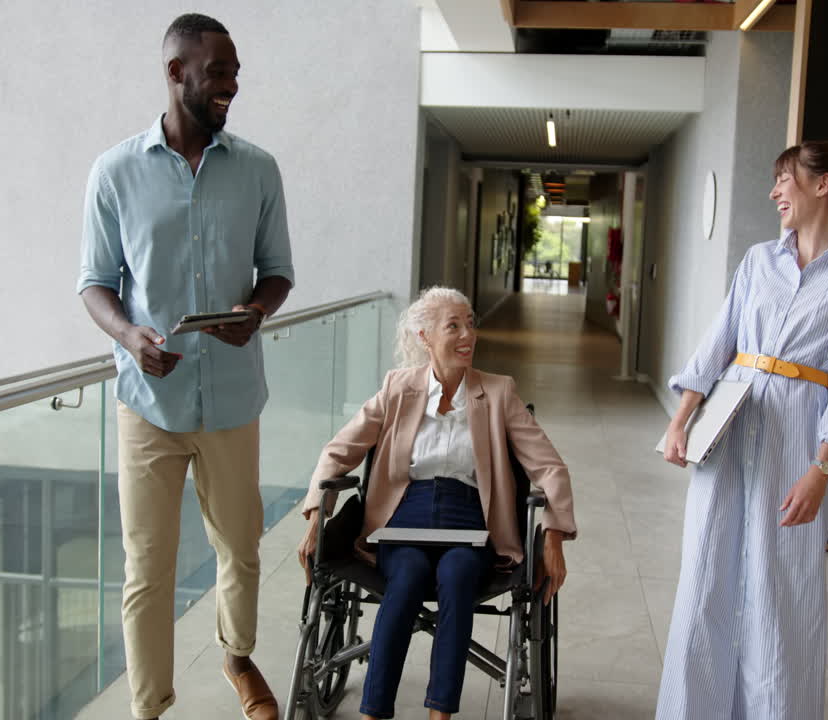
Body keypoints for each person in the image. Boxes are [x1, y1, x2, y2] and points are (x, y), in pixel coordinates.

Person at [77, 14, 294, 720]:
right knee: (147, 572)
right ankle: (149, 707)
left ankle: (237, 655)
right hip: (147, 400)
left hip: (233, 398)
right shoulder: (113, 173)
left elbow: (278, 273)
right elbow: (95, 283)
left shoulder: (258, 169)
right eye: (219, 71)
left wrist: (254, 314)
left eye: (236, 71)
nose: (232, 84)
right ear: (176, 73)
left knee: (241, 548)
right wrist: (127, 336)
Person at [654, 140, 828, 720]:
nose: (774, 193)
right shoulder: (759, 260)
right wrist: (680, 419)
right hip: (729, 427)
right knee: (706, 575)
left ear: (824, 184)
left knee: (780, 592)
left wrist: (822, 468)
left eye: (784, 179)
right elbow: (720, 341)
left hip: (799, 441)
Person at [296, 287, 577, 720]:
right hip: (403, 516)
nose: (468, 334)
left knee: (459, 576)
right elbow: (339, 450)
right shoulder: (398, 387)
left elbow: (549, 467)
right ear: (425, 336)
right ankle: (374, 713)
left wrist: (553, 537)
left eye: (470, 323)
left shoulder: (498, 392)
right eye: (454, 326)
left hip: (472, 521)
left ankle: (440, 713)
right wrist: (317, 517)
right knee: (406, 578)